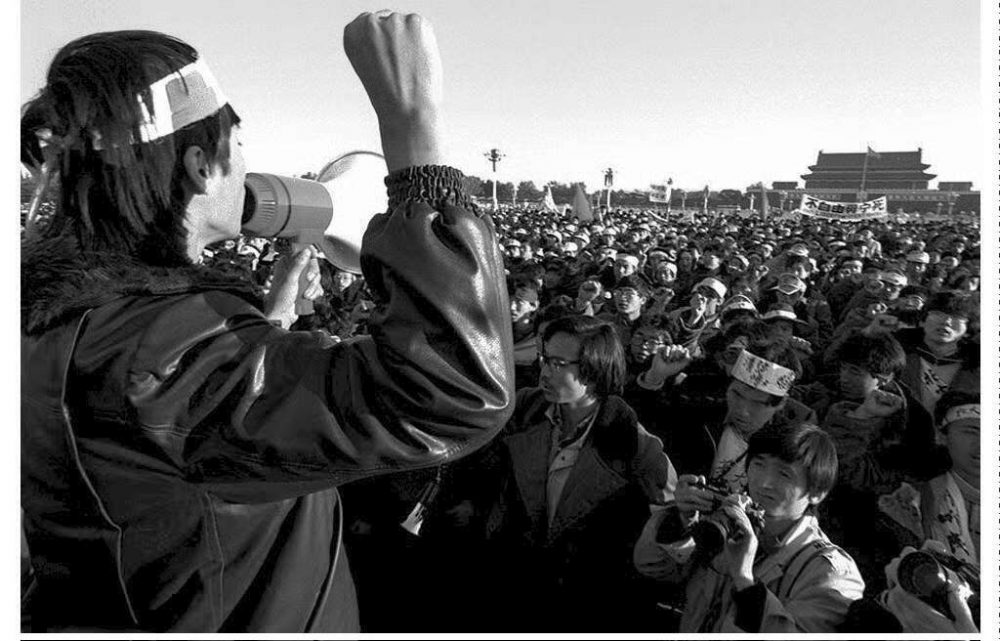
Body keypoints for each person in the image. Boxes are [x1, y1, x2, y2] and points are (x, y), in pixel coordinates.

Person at [20, 13, 514, 633]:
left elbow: (183, 444)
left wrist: (267, 330)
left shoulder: (67, 316)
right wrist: (413, 127)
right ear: (202, 166)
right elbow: (454, 393)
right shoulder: (159, 352)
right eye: (239, 139)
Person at [479, 315, 677, 631]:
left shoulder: (635, 448)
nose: (545, 371)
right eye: (545, 359)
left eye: (559, 364)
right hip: (507, 591)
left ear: (593, 371)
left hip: (584, 607)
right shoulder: (522, 412)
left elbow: (665, 540)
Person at [633, 422, 864, 633]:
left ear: (817, 493)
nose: (764, 483)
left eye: (784, 474)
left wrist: (744, 579)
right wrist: (681, 520)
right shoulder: (729, 522)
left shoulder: (829, 572)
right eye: (759, 465)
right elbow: (654, 568)